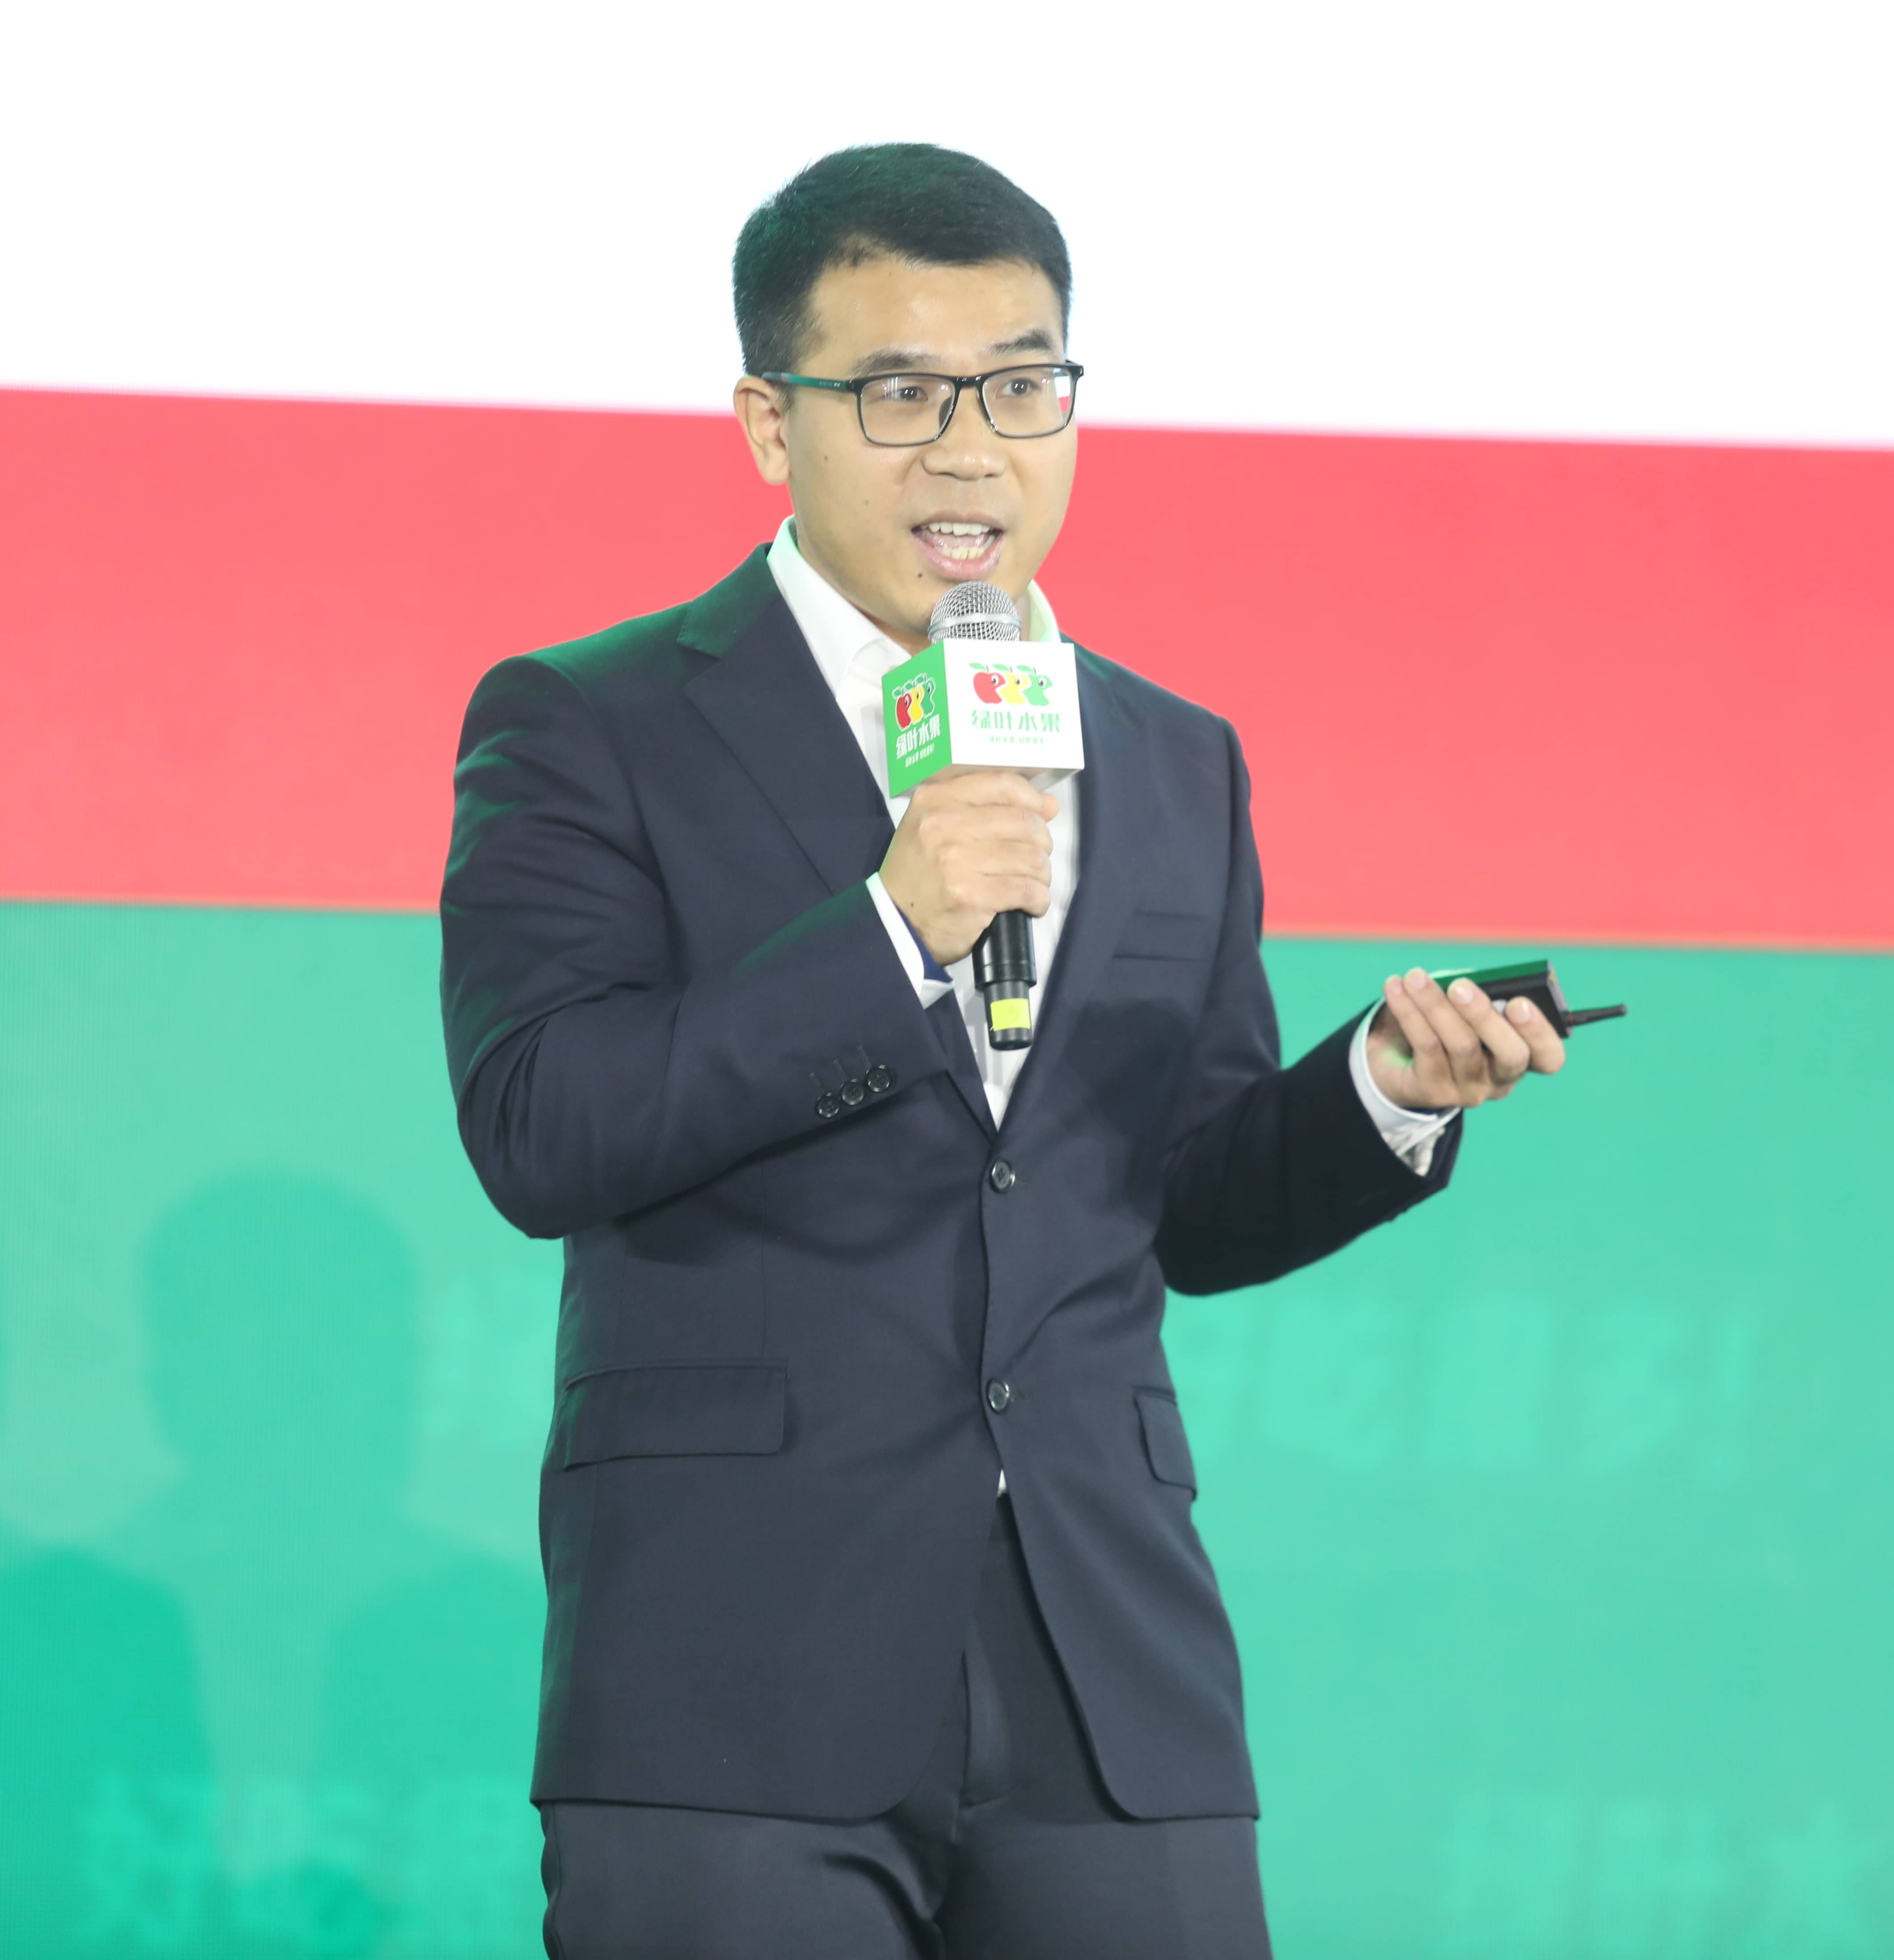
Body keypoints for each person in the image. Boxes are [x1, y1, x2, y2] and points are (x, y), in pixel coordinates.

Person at [439, 142, 1573, 1959]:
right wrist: (891, 934)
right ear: (770, 422)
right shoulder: (594, 720)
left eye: (1024, 386)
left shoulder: (1173, 753)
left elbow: (1187, 1203)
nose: (971, 451)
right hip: (734, 1671)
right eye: (900, 394)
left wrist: (1385, 1092)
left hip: (1106, 1667)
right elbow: (542, 1126)